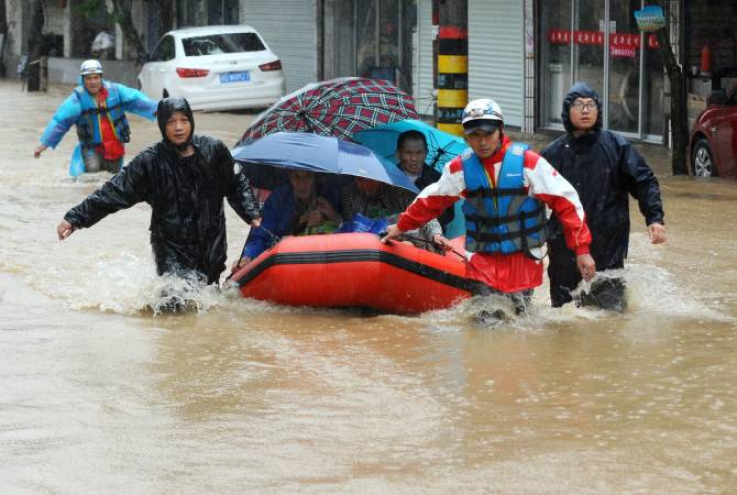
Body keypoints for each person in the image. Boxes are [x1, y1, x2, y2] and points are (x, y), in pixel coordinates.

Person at [382, 98, 596, 314]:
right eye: (474, 135)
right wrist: (400, 227)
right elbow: (430, 200)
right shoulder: (460, 169)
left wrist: (582, 250)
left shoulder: (528, 163)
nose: (481, 142)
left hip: (523, 259)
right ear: (466, 136)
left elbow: (567, 202)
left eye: (488, 134)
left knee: (518, 324)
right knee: (485, 321)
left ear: (500, 131)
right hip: (481, 261)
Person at [56, 97, 262, 285]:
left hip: (211, 244)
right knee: (174, 299)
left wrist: (251, 212)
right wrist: (76, 217)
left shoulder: (214, 150)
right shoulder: (150, 161)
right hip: (170, 246)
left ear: (191, 121)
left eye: (184, 120)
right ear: (163, 125)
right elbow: (114, 191)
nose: (179, 127)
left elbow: (237, 183)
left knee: (207, 299)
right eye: (171, 122)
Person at [541, 82, 666, 312]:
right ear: (567, 111)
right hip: (564, 249)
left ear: (599, 110)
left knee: (610, 317)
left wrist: (654, 218)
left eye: (591, 105)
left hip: (608, 245)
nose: (585, 110)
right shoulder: (552, 154)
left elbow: (644, 181)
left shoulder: (617, 147)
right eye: (579, 105)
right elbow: (532, 198)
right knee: (564, 319)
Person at [34, 59, 157, 175]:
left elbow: (137, 100)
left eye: (96, 78)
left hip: (115, 148)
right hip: (91, 149)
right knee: (92, 175)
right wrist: (44, 145)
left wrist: (157, 110)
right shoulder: (76, 101)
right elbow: (60, 123)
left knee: (113, 180)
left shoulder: (116, 91)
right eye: (88, 78)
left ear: (101, 78)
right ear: (83, 80)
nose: (93, 82)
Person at [236, 170, 341, 267]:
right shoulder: (278, 198)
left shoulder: (330, 196)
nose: (301, 184)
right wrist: (249, 256)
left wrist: (332, 217)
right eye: (296, 176)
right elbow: (260, 235)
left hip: (319, 261)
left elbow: (348, 232)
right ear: (289, 177)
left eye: (308, 177)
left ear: (317, 178)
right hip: (282, 261)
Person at [341, 176, 445, 250]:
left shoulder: (398, 191)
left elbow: (422, 211)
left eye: (370, 180)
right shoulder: (349, 194)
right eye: (360, 180)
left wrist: (435, 234)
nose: (365, 184)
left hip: (401, 239)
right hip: (364, 244)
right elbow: (349, 224)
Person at [395, 130, 454, 231]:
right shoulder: (390, 177)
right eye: (409, 153)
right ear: (398, 154)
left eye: (419, 153)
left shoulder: (439, 180)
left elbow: (448, 216)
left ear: (426, 153)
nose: (414, 158)